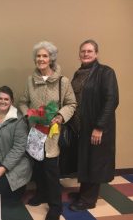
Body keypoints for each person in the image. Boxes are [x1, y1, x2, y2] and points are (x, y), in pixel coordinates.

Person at [19, 41, 76, 220]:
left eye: (45, 56)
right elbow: (22, 101)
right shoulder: (30, 80)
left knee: (51, 171)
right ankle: (41, 194)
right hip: (35, 132)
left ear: (51, 58)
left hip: (53, 135)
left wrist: (60, 116)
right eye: (38, 56)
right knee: (38, 167)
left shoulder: (63, 81)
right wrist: (28, 114)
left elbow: (71, 103)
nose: (41, 59)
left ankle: (56, 207)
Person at [68, 39, 119, 211]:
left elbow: (111, 100)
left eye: (89, 51)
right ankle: (84, 193)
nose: (86, 54)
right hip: (82, 126)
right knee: (85, 160)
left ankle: (88, 200)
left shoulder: (106, 72)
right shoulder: (79, 73)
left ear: (96, 53)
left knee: (94, 161)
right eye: (83, 51)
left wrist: (99, 127)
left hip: (96, 126)